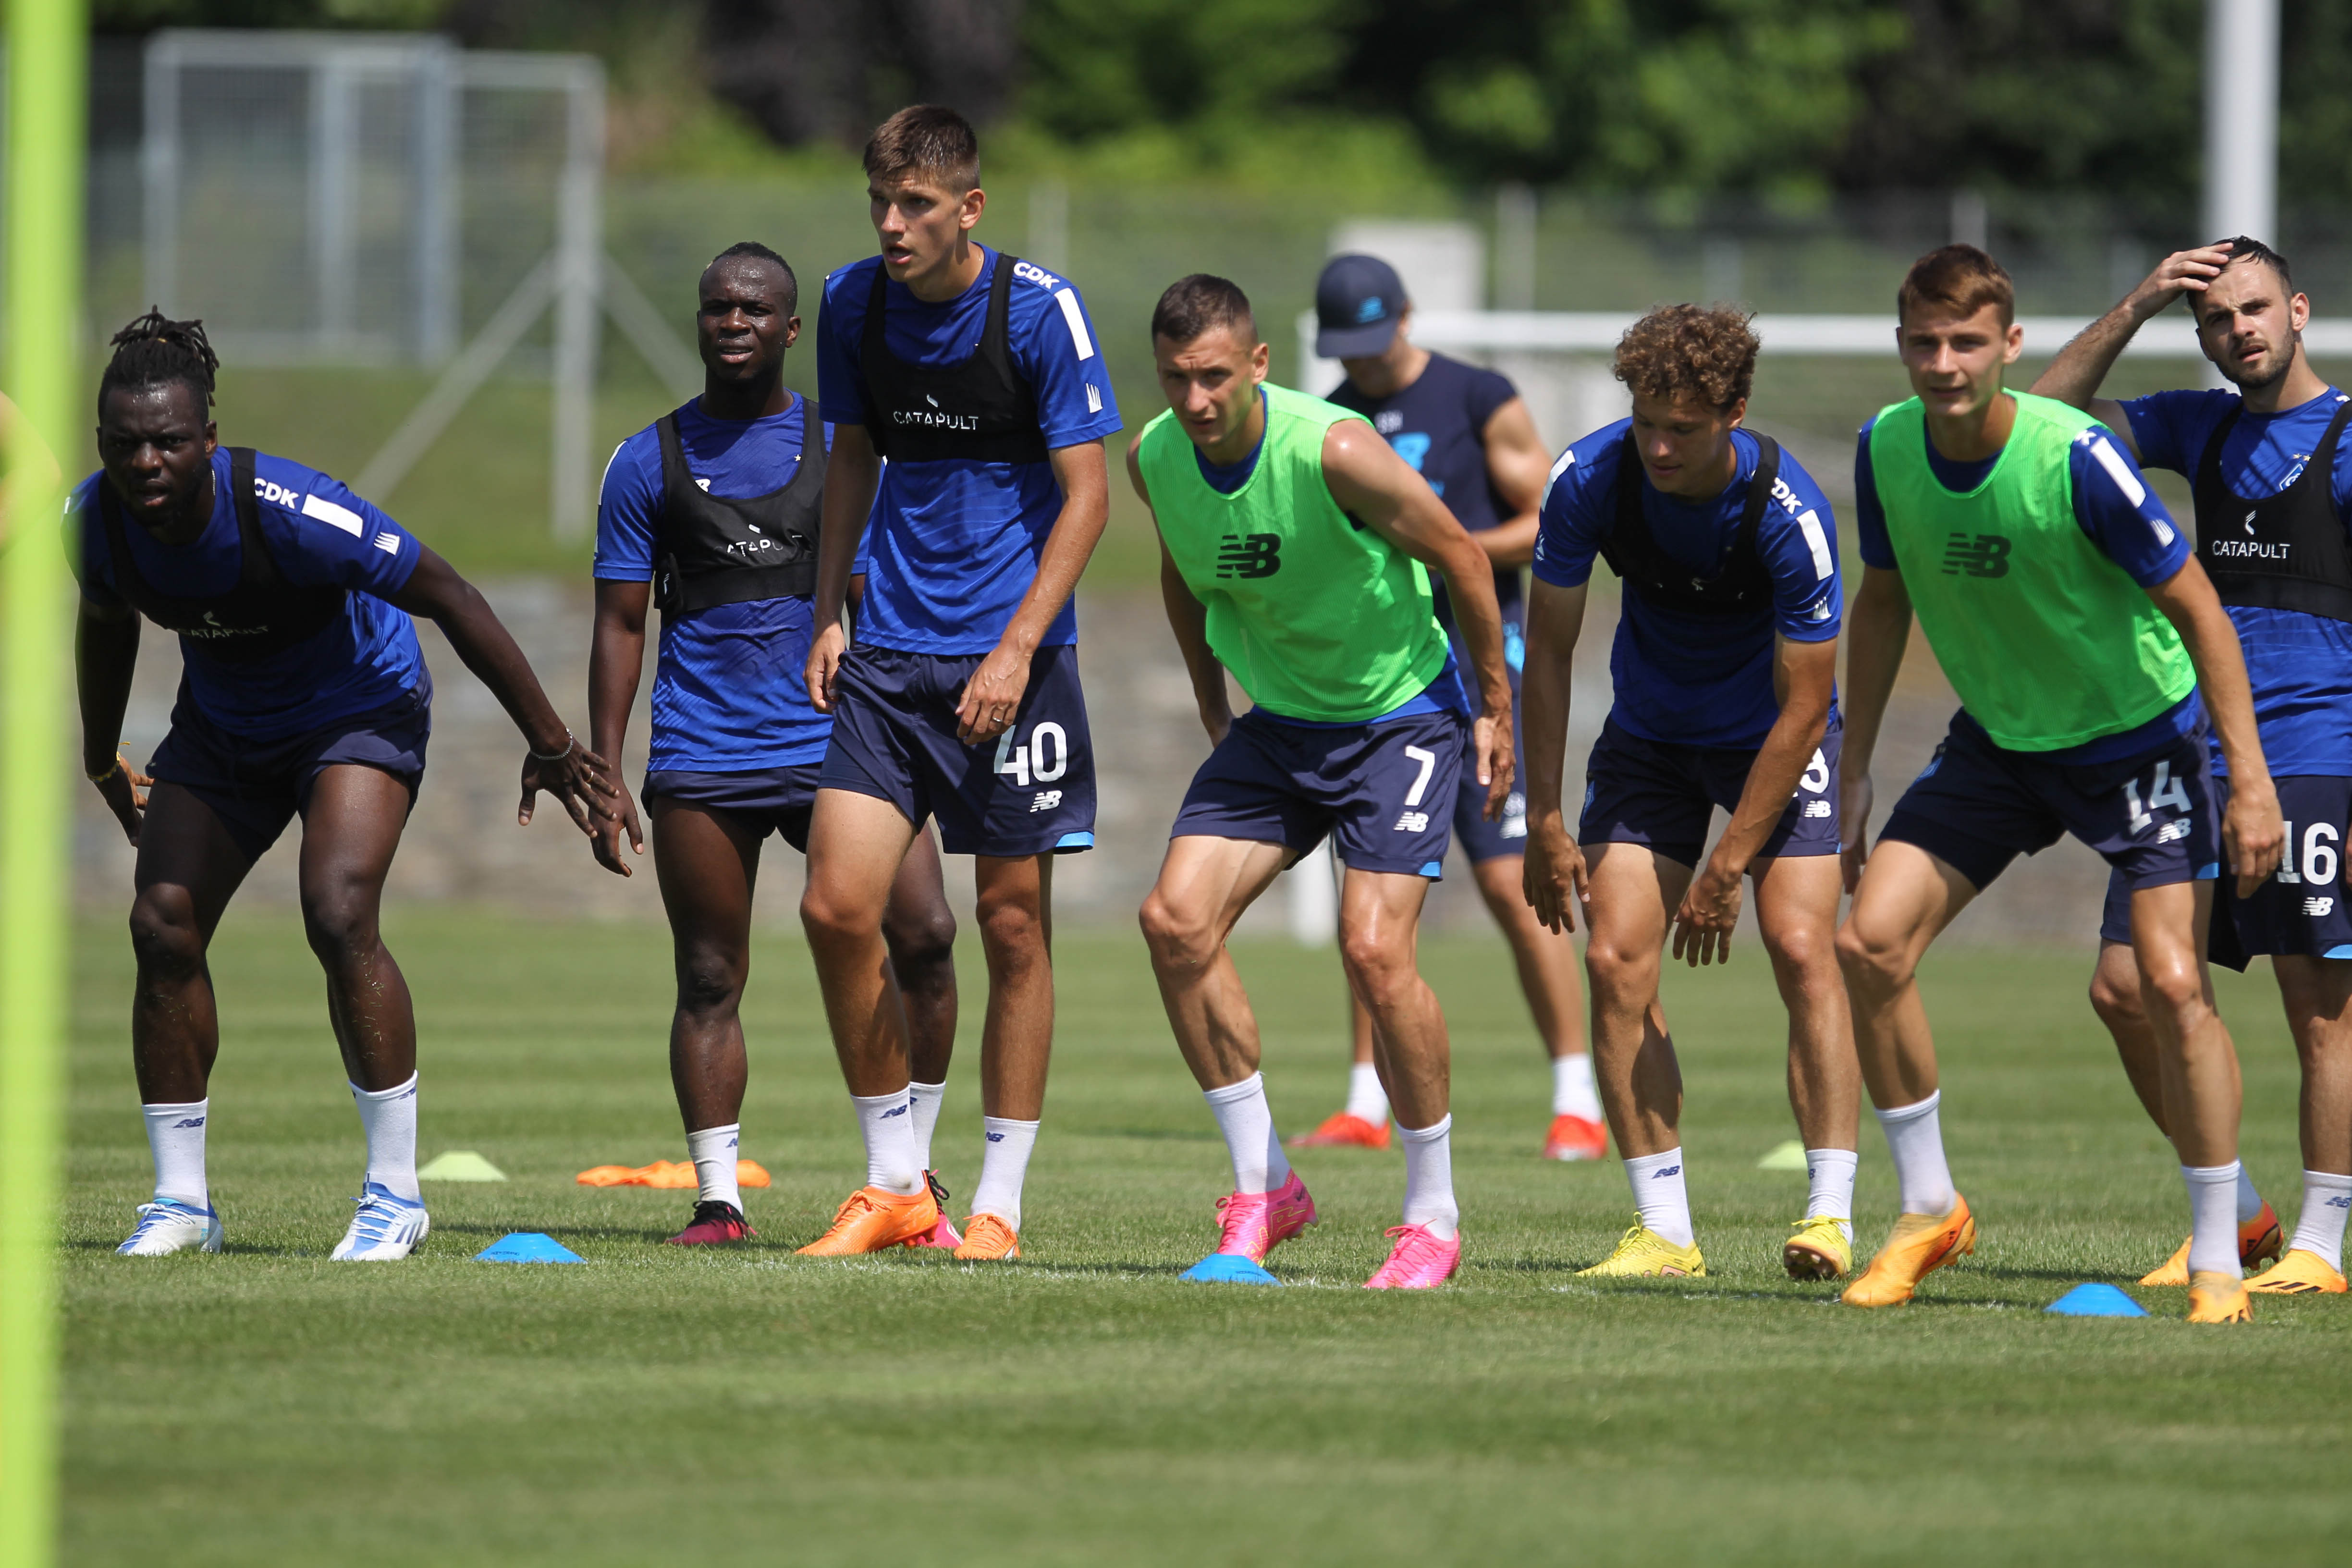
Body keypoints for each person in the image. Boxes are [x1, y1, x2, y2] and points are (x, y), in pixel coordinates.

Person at [75, 310, 612, 1261]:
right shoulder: (96, 524)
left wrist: (554, 742)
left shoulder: (288, 508)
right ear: (102, 446)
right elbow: (108, 619)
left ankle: (394, 1195)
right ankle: (180, 1205)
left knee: (336, 906)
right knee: (160, 924)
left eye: (167, 442)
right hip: (225, 723)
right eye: (125, 445)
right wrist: (97, 752)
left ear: (207, 437)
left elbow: (450, 594)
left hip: (357, 705)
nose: (147, 463)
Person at [1837, 245, 2284, 1323]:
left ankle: (2222, 1256)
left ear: (2010, 346)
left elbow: (2201, 613)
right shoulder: (1884, 449)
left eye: (1967, 343)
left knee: (2163, 988)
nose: (1944, 365)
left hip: (2141, 741)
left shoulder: (2074, 456)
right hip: (2001, 743)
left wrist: (2251, 780)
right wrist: (1850, 769)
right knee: (1869, 940)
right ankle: (1930, 1209)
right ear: (1902, 347)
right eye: (1925, 344)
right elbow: (1884, 602)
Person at [1133, 274, 1517, 1289]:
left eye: (1216, 377)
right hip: (1283, 723)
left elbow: (1464, 560)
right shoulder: (1156, 457)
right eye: (1177, 380)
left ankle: (1431, 1216)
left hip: (1399, 714)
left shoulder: (1335, 448)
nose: (1197, 400)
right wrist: (1213, 698)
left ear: (1260, 363)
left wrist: (1494, 709)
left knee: (1375, 952)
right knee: (1175, 923)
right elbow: (1182, 565)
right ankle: (1266, 1187)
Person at [586, 242, 962, 1249]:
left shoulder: (848, 447)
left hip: (849, 746)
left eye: (756, 308)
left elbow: (893, 592)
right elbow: (622, 625)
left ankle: (911, 1179)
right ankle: (720, 1204)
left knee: (926, 935)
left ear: (793, 330)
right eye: (718, 308)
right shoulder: (644, 459)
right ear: (700, 323)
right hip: (705, 755)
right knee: (709, 975)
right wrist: (605, 762)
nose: (735, 322)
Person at [796, 105, 1120, 1261]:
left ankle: (1000, 1205)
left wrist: (1020, 646)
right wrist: (829, 608)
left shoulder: (1039, 310)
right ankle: (897, 1185)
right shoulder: (850, 303)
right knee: (836, 907)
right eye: (882, 203)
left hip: (1010, 667)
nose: (894, 224)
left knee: (1010, 925)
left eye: (918, 205)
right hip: (886, 658)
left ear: (969, 208)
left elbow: (1089, 495)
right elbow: (849, 457)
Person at [2034, 235, 2352, 1296]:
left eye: (2256, 309)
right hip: (2200, 752)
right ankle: (2243, 1214)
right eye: (2217, 319)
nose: (2240, 331)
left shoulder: (2347, 438)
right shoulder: (2195, 422)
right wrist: (2136, 303)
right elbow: (2045, 422)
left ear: (2299, 311)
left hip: (2321, 753)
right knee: (2125, 988)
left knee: (2320, 1006)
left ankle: (2321, 1244)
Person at [1520, 305, 1862, 1280]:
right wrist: (1544, 816)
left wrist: (1729, 866)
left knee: (1801, 947)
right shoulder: (1588, 480)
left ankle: (1830, 1216)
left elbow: (1806, 707)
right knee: (1618, 960)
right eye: (1646, 423)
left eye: (1686, 428)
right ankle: (1665, 1233)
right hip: (1651, 744)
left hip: (1771, 742)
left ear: (1736, 413)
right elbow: (1547, 652)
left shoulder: (1789, 511)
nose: (1661, 446)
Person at [1290, 253, 1601, 1162]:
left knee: (1512, 885)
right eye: (1350, 347)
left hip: (1479, 660)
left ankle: (1576, 1100)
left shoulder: (1478, 396)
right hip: (1383, 669)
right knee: (1371, 889)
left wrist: (1449, 545)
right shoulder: (1333, 417)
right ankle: (1363, 1104)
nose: (1367, 361)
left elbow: (1548, 511)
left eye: (1376, 339)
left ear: (1409, 318)